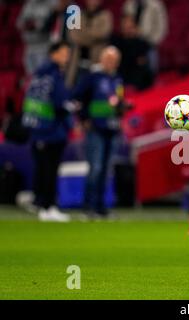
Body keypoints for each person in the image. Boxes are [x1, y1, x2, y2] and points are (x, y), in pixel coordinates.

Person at [73, 46, 129, 219]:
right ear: (102, 59)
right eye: (108, 59)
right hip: (95, 128)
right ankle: (88, 206)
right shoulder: (92, 77)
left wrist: (122, 110)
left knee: (106, 170)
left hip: (112, 128)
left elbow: (117, 102)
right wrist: (83, 120)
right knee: (95, 168)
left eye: (114, 60)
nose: (111, 63)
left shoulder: (117, 79)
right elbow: (78, 98)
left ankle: (100, 206)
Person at [22, 41, 75, 222]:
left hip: (37, 128)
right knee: (50, 170)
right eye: (63, 53)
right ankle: (49, 206)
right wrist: (71, 111)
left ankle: (41, 204)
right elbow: (60, 103)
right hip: (52, 131)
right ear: (53, 54)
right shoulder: (54, 75)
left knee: (43, 169)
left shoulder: (37, 75)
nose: (66, 58)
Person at [67, 0, 113, 87]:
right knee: (74, 87)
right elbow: (73, 35)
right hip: (77, 59)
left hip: (96, 59)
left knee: (93, 87)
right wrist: (92, 37)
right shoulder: (76, 12)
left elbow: (103, 33)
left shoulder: (106, 15)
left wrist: (83, 34)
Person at [16, 0, 55, 75]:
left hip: (43, 47)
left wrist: (31, 24)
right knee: (30, 77)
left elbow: (43, 25)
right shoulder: (29, 3)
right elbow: (19, 23)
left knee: (43, 75)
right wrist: (28, 24)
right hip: (29, 47)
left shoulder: (51, 3)